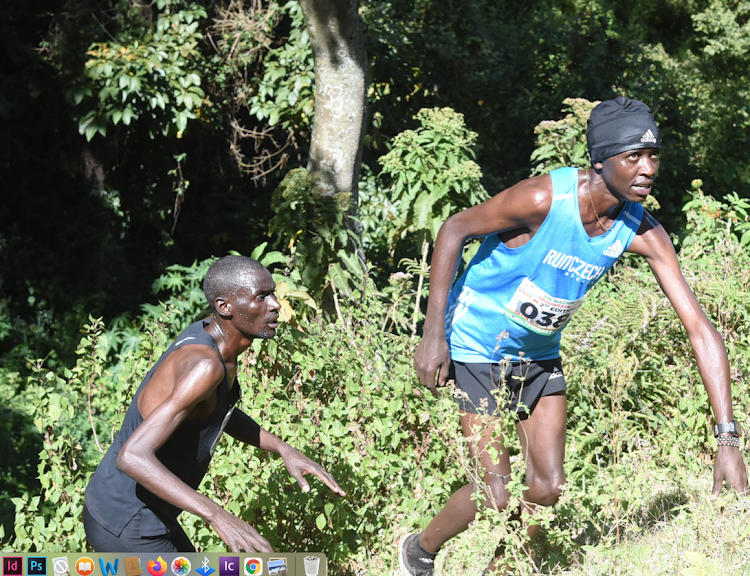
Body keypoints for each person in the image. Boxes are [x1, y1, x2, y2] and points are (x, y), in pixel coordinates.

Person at [402, 97, 749, 575]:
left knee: (547, 488)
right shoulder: (544, 200)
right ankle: (418, 551)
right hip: (476, 343)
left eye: (653, 156)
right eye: (633, 157)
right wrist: (432, 333)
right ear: (600, 161)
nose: (647, 169)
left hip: (539, 354)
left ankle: (501, 569)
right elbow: (454, 227)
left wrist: (727, 438)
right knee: (497, 490)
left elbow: (700, 329)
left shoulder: (640, 229)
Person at [84, 255, 345, 552]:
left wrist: (283, 449)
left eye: (272, 293)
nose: (275, 304)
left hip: (146, 513)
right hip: (126, 521)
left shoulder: (214, 339)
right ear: (225, 307)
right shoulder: (205, 366)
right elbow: (132, 456)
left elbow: (216, 412)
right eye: (261, 297)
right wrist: (217, 515)